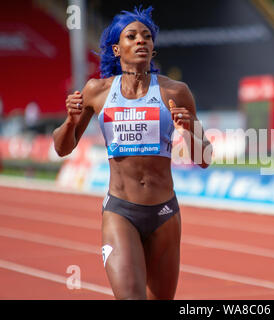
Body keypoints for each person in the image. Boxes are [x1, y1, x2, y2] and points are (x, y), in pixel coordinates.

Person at [53, 6, 211, 300]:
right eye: (132, 36)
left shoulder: (175, 92)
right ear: (117, 49)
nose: (141, 41)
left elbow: (204, 159)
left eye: (147, 36)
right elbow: (62, 148)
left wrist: (190, 130)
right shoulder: (97, 91)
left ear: (153, 47)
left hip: (164, 213)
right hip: (121, 212)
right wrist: (70, 121)